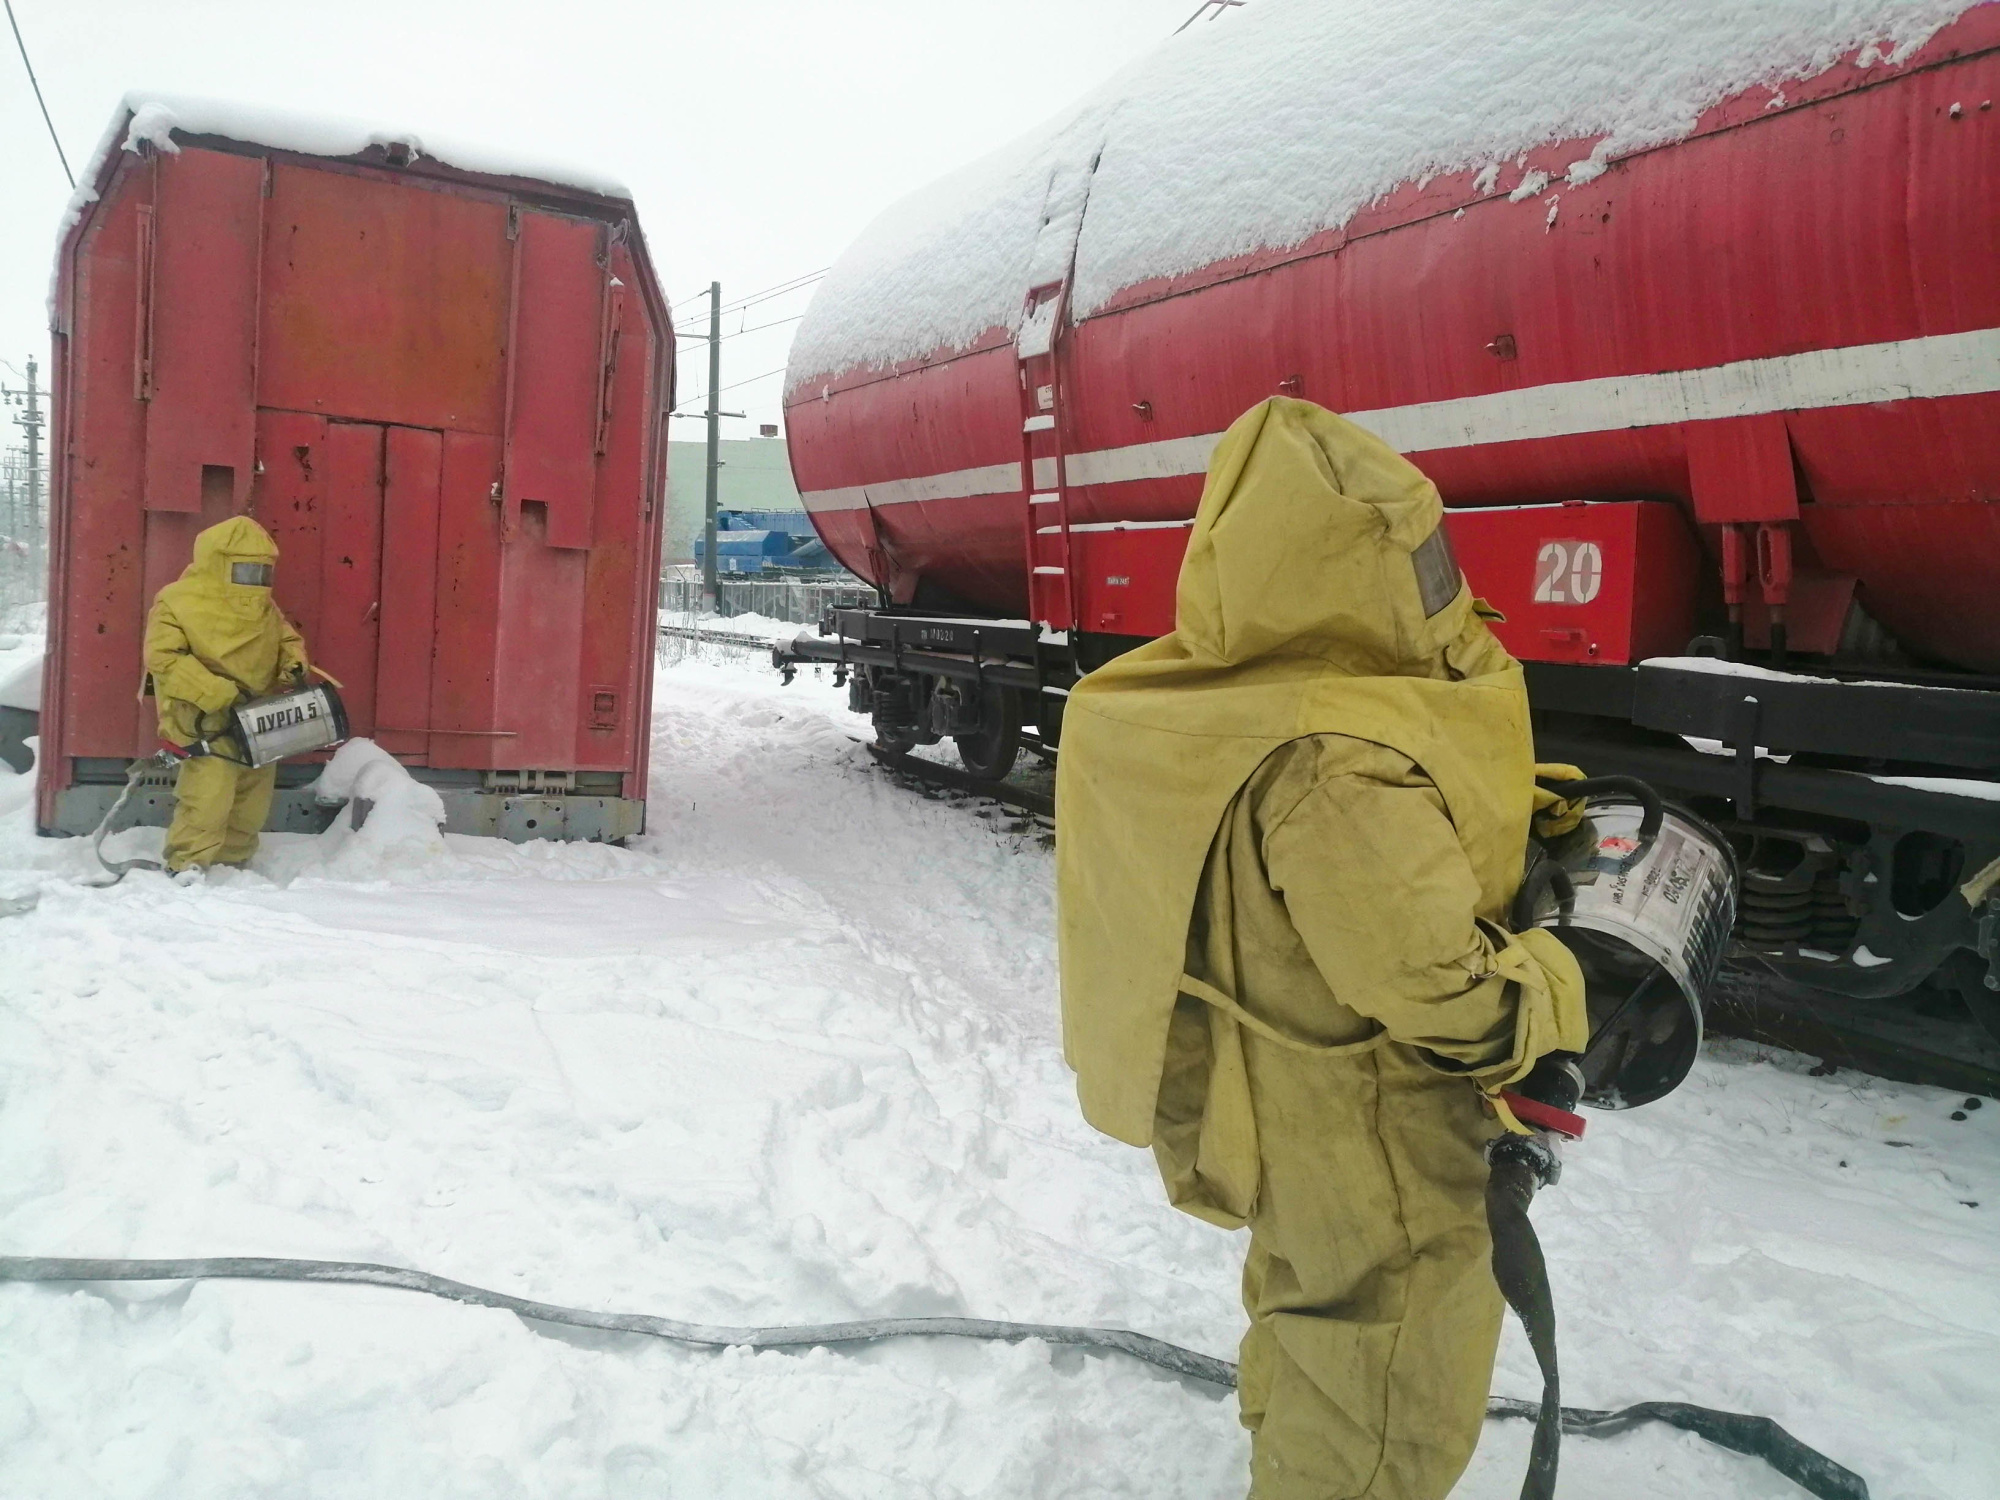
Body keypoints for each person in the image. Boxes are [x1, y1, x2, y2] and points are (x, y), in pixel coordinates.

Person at [1056, 398, 1588, 1499]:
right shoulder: (1342, 760)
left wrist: (1484, 810)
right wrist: (1552, 997)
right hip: (1376, 1121)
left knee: (1311, 1312)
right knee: (1387, 1382)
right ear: (1365, 566)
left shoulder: (1235, 695)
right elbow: (1430, 979)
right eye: (1415, 553)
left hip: (1284, 1111)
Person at [143, 516, 310, 874]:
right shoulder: (176, 601)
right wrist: (216, 692)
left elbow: (286, 639)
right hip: (206, 724)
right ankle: (187, 865)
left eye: (262, 571)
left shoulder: (265, 607)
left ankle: (232, 864)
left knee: (252, 801)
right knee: (207, 798)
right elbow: (163, 658)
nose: (255, 581)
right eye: (245, 569)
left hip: (259, 719)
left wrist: (293, 665)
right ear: (216, 562)